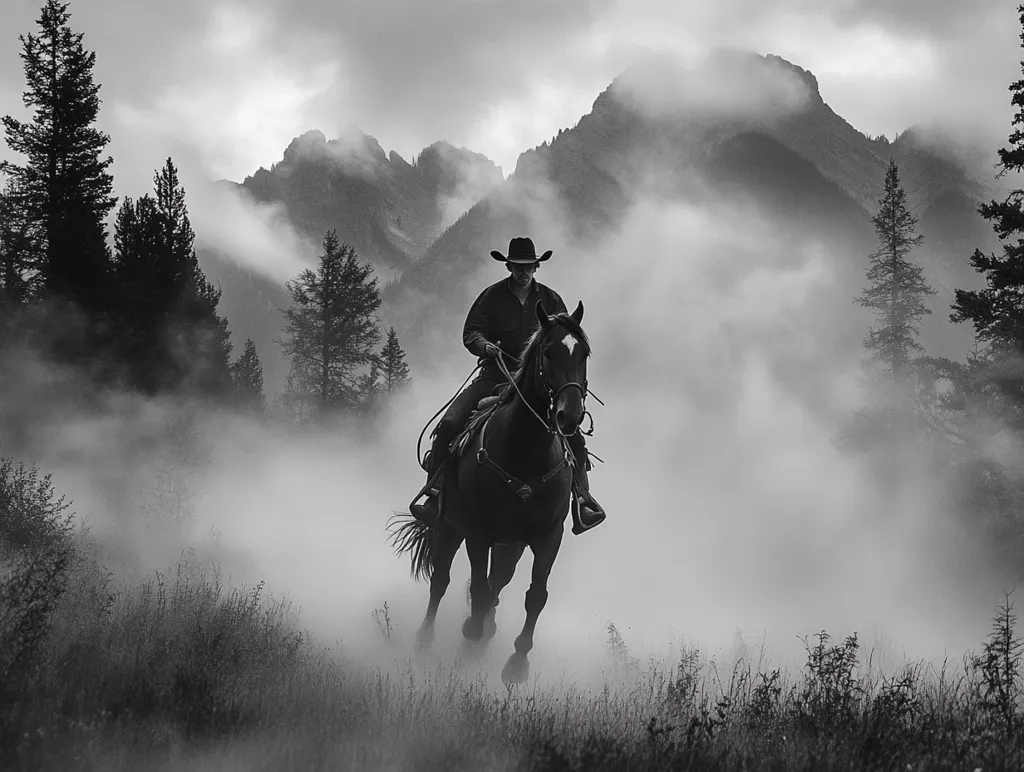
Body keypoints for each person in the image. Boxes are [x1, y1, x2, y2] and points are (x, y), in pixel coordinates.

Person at [409, 236, 606, 535]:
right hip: (493, 377)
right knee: (450, 424)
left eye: (528, 266)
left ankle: (582, 500)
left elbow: (564, 337)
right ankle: (434, 493)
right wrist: (485, 346)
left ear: (536, 266)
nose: (523, 272)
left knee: (572, 434)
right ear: (509, 266)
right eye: (517, 266)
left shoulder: (552, 300)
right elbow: (471, 331)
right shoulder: (491, 297)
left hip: (535, 385)